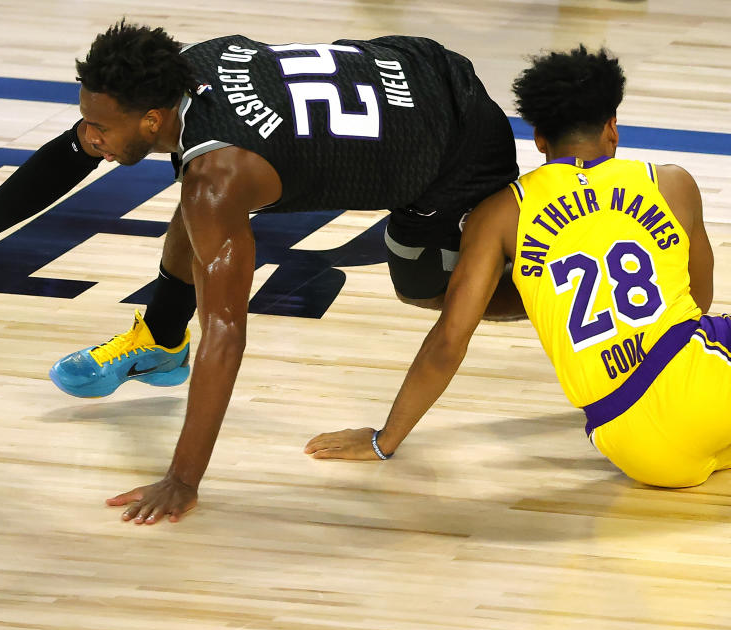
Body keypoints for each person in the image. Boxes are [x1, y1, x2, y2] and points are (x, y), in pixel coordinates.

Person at [0, 20, 522, 523]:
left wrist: (182, 480)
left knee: (423, 287)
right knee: (198, 209)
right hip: (412, 64)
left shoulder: (217, 176)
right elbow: (72, 153)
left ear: (149, 120)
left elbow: (227, 335)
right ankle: (162, 342)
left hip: (456, 150)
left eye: (101, 127)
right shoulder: (187, 70)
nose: (91, 136)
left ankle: (566, 301)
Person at [306, 46, 730, 490]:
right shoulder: (672, 183)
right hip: (710, 392)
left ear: (540, 140)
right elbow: (697, 301)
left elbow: (449, 341)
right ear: (612, 127)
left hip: (637, 449)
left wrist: (382, 441)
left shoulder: (500, 213)